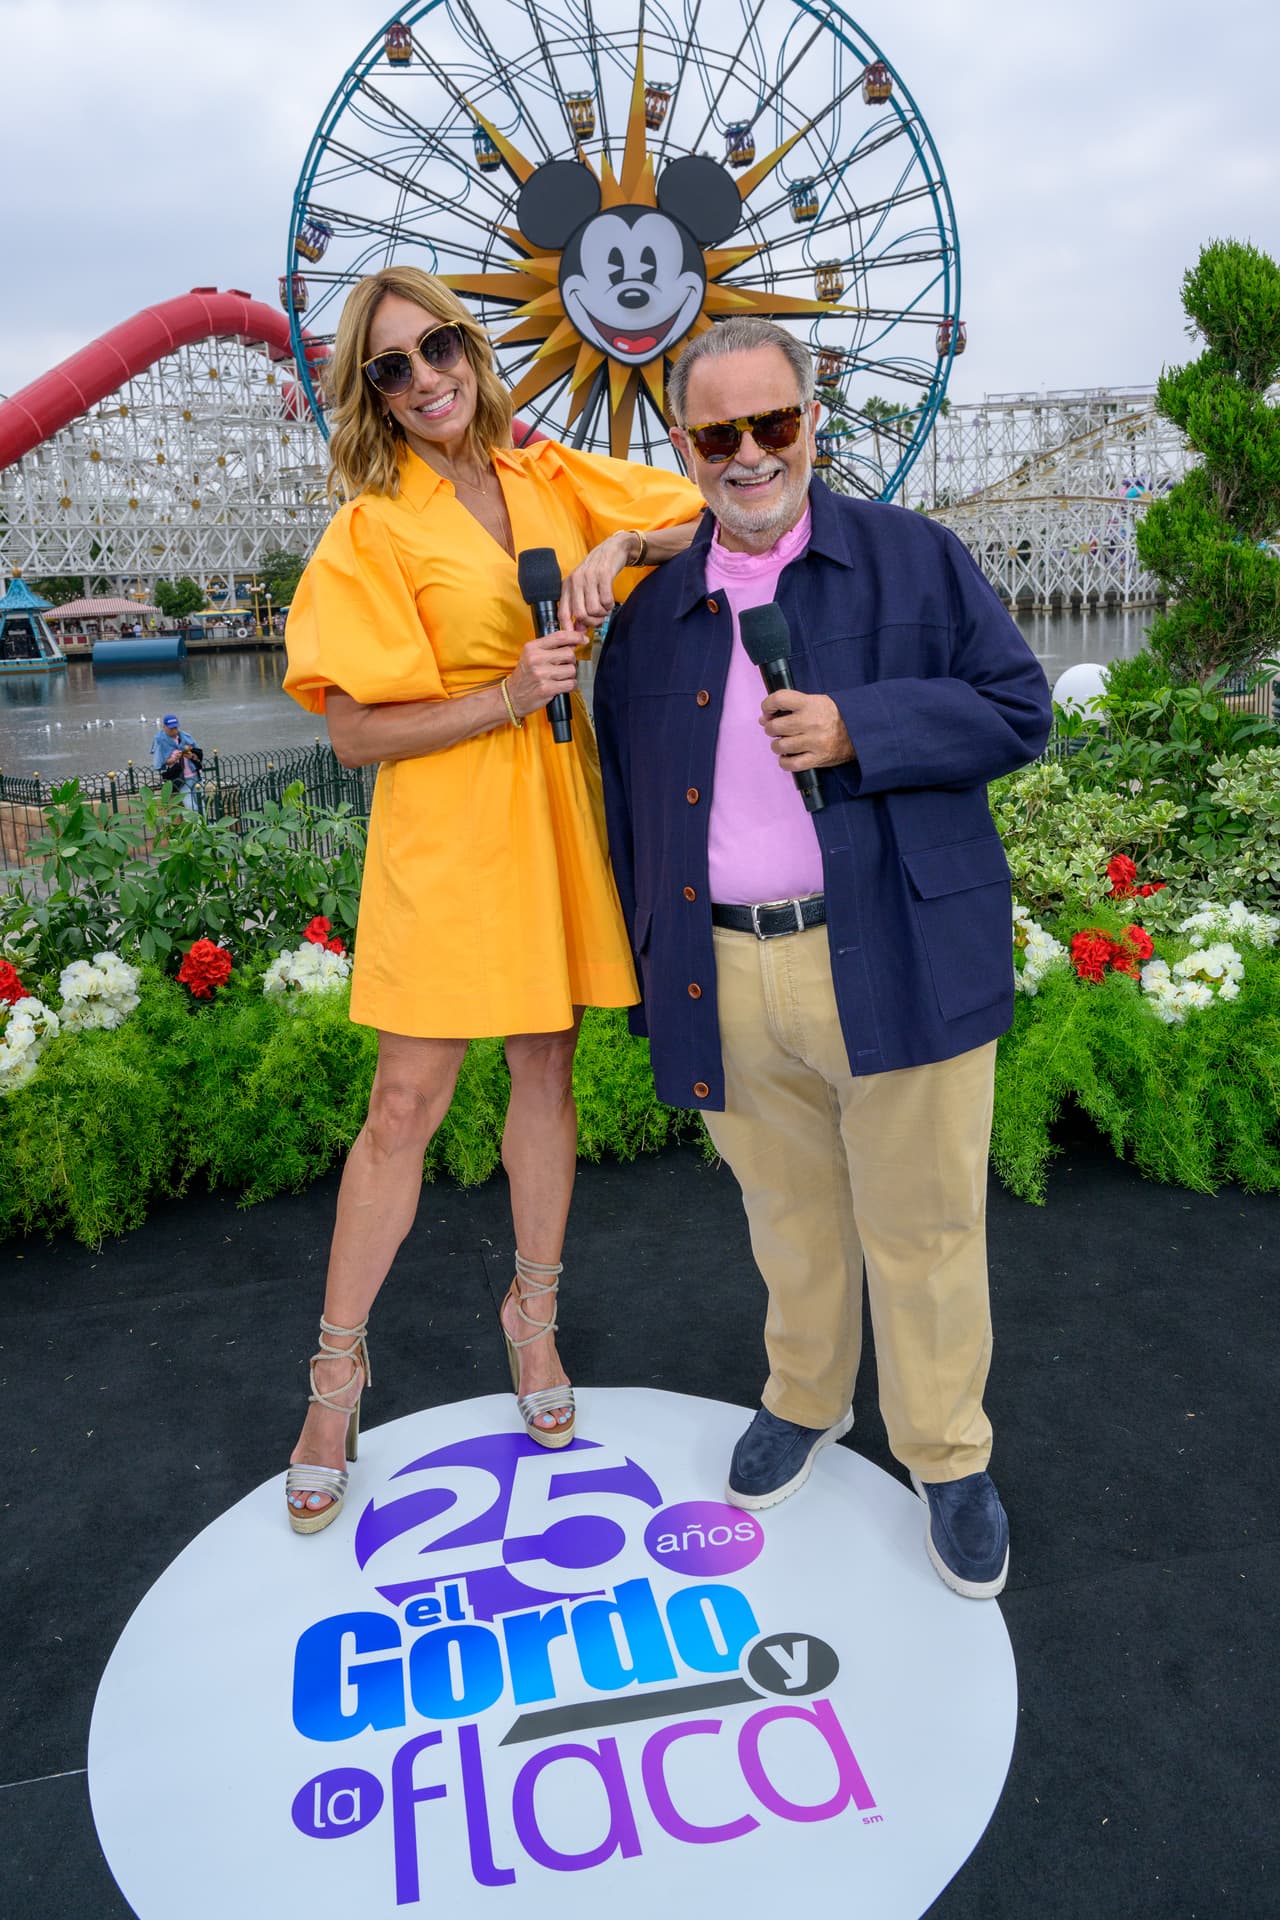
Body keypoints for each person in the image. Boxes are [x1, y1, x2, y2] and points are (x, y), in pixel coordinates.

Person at [594, 316, 1053, 1600]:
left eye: (772, 425)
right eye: (718, 433)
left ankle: (947, 1456)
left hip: (895, 946)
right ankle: (805, 1397)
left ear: (811, 425)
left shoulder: (915, 562)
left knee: (920, 1226)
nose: (749, 454)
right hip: (728, 970)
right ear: (685, 448)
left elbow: (1020, 711)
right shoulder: (652, 615)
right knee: (784, 1217)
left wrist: (861, 725)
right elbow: (631, 800)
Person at [280, 265, 703, 1534]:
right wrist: (508, 696)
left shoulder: (547, 477)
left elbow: (696, 509)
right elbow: (354, 734)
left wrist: (616, 548)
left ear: (471, 346)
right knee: (403, 1104)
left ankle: (534, 1314)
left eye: (437, 348)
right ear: (371, 397)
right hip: (448, 828)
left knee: (546, 1074)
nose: (423, 380)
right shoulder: (371, 528)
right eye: (389, 369)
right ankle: (334, 1372)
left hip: (554, 816)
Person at [150, 714, 202, 811]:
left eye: (176, 728)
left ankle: (204, 825)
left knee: (201, 805)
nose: (174, 731)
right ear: (164, 727)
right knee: (192, 808)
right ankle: (196, 825)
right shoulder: (161, 741)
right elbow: (160, 763)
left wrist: (191, 755)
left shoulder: (185, 737)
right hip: (181, 779)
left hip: (195, 776)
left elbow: (198, 755)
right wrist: (173, 759)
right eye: (171, 729)